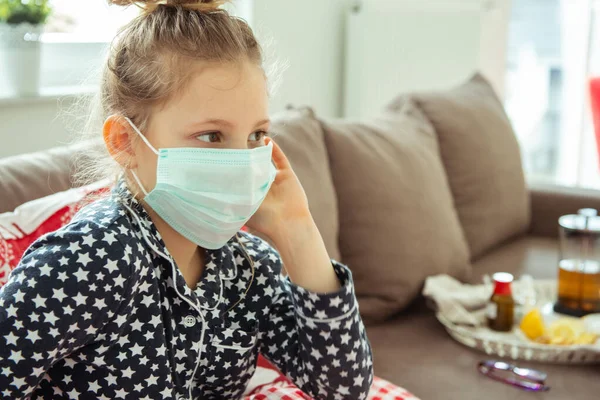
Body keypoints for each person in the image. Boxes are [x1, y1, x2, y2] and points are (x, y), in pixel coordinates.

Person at [0, 1, 374, 399]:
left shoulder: (246, 267)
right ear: (124, 141)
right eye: (212, 136)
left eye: (256, 136)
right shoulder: (87, 258)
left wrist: (299, 230)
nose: (241, 161)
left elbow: (344, 389)